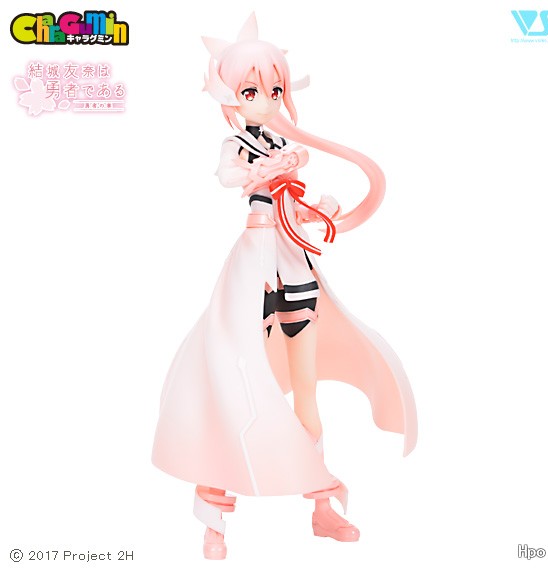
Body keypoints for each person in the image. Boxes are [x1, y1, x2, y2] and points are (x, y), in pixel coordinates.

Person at [152, 13, 417, 560]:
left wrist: (319, 208)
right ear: (230, 95)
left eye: (275, 89)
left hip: (293, 264)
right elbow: (229, 177)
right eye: (252, 90)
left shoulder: (283, 142)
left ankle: (321, 506)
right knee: (230, 387)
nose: (267, 99)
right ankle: (215, 522)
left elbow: (294, 201)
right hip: (255, 265)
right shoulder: (238, 144)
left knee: (306, 387)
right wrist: (264, 170)